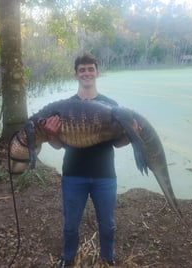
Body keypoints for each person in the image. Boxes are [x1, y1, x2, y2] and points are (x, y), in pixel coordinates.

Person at [40, 53, 133, 267]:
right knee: (71, 224)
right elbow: (59, 145)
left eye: (90, 69)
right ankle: (68, 258)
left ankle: (107, 258)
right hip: (73, 174)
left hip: (105, 175)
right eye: (82, 70)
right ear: (76, 75)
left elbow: (118, 143)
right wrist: (51, 134)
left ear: (97, 73)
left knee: (108, 224)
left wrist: (130, 133)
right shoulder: (64, 107)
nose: (87, 73)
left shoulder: (112, 105)